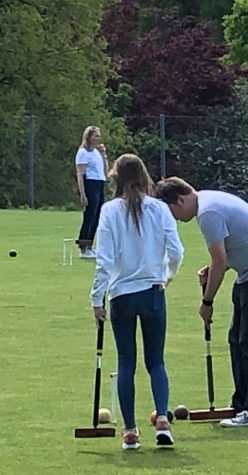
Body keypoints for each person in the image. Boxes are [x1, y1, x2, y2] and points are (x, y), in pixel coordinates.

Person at [153, 178, 248, 427]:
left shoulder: (208, 212)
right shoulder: (208, 202)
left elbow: (220, 260)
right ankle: (241, 405)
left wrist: (207, 301)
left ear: (180, 200)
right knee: (236, 338)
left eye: (172, 213)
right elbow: (226, 255)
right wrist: (213, 271)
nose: (175, 220)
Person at [90, 154, 185, 450]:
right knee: (156, 361)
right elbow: (177, 251)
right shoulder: (159, 209)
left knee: (126, 363)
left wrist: (97, 299)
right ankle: (163, 421)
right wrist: (167, 276)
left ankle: (130, 431)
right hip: (153, 293)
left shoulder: (109, 211)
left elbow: (104, 261)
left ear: (117, 179)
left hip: (121, 295)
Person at [75, 126, 109, 259]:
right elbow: (80, 174)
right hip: (90, 184)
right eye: (96, 136)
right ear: (88, 137)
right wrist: (83, 194)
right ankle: (83, 247)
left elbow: (105, 171)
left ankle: (89, 246)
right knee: (89, 216)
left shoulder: (97, 152)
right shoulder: (83, 153)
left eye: (99, 136)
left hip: (100, 183)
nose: (98, 138)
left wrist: (104, 156)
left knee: (97, 216)